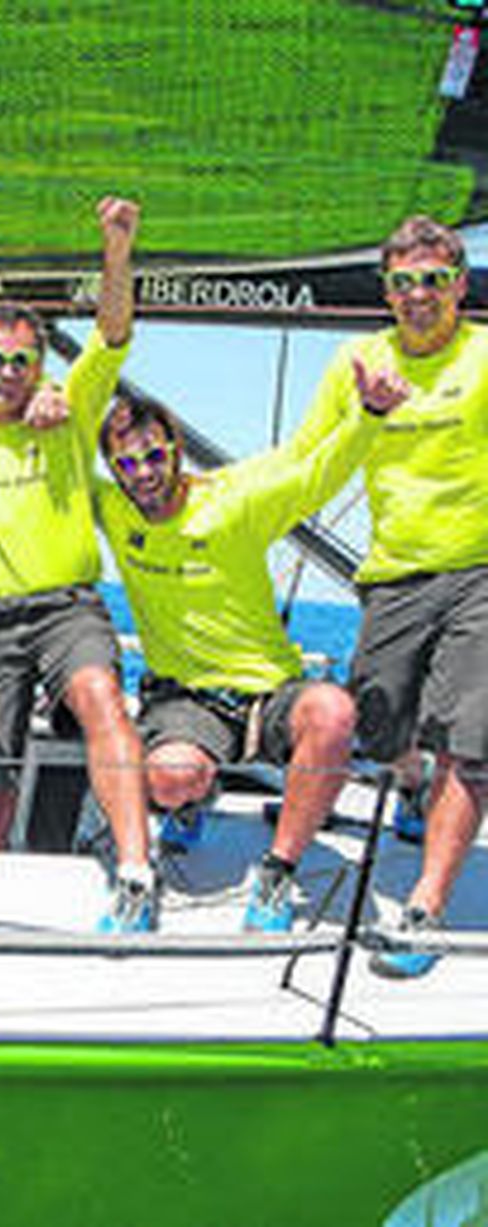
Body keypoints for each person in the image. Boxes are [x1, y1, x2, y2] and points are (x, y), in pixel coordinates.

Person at [0, 196, 154, 931]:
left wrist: (116, 249)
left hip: (66, 608)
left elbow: (113, 333)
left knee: (103, 697)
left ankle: (137, 872)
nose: (8, 372)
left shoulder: (70, 409)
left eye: (21, 359)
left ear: (41, 364)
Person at [94, 391, 389, 931]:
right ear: (114, 470)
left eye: (154, 456)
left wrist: (369, 416)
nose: (144, 473)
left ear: (175, 448)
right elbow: (50, 470)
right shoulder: (111, 508)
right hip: (187, 698)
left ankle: (278, 869)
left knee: (334, 714)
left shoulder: (233, 500)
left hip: (268, 691)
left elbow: (319, 475)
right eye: (128, 464)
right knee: (168, 776)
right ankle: (191, 800)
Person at [289, 215, 488, 977]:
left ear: (460, 285)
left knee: (468, 747)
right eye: (402, 282)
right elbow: (309, 463)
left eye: (433, 279)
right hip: (395, 574)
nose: (417, 295)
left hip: (479, 572)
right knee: (376, 731)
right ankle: (413, 785)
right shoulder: (358, 358)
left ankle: (424, 908)